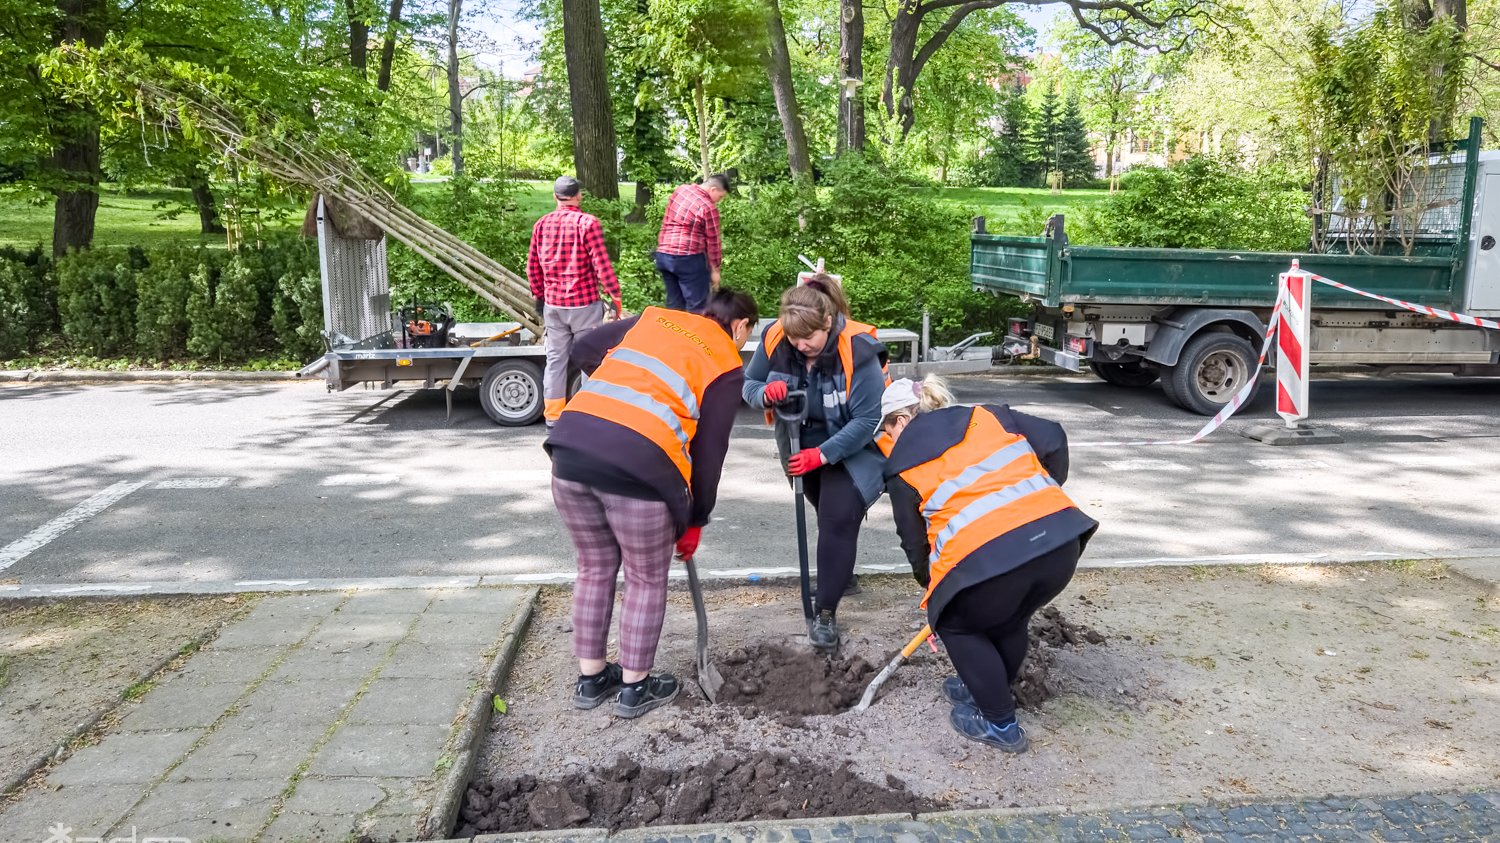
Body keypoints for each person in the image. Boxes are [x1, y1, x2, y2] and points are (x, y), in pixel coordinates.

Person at [545, 289, 759, 719]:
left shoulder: (655, 320)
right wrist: (695, 518)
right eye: (747, 333)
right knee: (644, 578)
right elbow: (710, 450)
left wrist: (623, 390)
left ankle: (590, 681)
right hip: (639, 468)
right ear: (740, 327)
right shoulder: (725, 360)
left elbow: (585, 347)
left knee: (594, 567)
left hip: (570, 449)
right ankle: (634, 688)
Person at [878, 375, 1098, 753]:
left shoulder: (901, 465)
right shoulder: (989, 415)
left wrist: (937, 600)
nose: (887, 439)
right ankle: (983, 683)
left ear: (900, 421)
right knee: (1010, 616)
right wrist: (1047, 489)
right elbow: (1055, 437)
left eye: (886, 429)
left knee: (957, 624)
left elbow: (915, 546)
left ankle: (999, 723)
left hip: (993, 560)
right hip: (1059, 547)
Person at [743, 281, 889, 652]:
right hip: (798, 442)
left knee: (838, 517)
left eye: (809, 338)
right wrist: (765, 395)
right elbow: (749, 383)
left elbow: (868, 418)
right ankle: (840, 575)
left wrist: (822, 455)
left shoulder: (859, 350)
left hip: (854, 448)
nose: (800, 346)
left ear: (828, 322)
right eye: (795, 340)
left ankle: (825, 613)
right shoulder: (778, 337)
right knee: (825, 513)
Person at [527, 175, 623, 427]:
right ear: (578, 196)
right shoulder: (588, 224)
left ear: (555, 197)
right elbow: (601, 265)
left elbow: (533, 268)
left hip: (554, 306)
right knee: (588, 359)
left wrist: (539, 297)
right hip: (584, 306)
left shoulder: (541, 225)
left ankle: (554, 415)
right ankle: (588, 413)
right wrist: (615, 296)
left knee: (555, 360)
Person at [654, 174, 728, 313]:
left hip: (664, 255)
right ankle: (697, 333)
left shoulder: (681, 191)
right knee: (698, 307)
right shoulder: (708, 207)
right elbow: (713, 242)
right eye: (720, 196)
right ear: (713, 189)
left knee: (674, 305)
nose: (718, 201)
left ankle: (673, 333)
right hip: (687, 258)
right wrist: (715, 270)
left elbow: (667, 219)